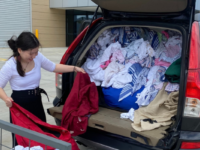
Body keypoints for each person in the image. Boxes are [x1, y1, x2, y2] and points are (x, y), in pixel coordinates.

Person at [0, 32, 85, 146]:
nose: (34, 56)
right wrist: (6, 99)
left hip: (36, 101)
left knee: (41, 136)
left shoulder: (37, 57)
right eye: (31, 53)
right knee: (22, 139)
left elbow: (53, 67)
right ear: (20, 50)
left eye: (36, 52)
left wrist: (74, 68)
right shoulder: (10, 65)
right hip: (20, 106)